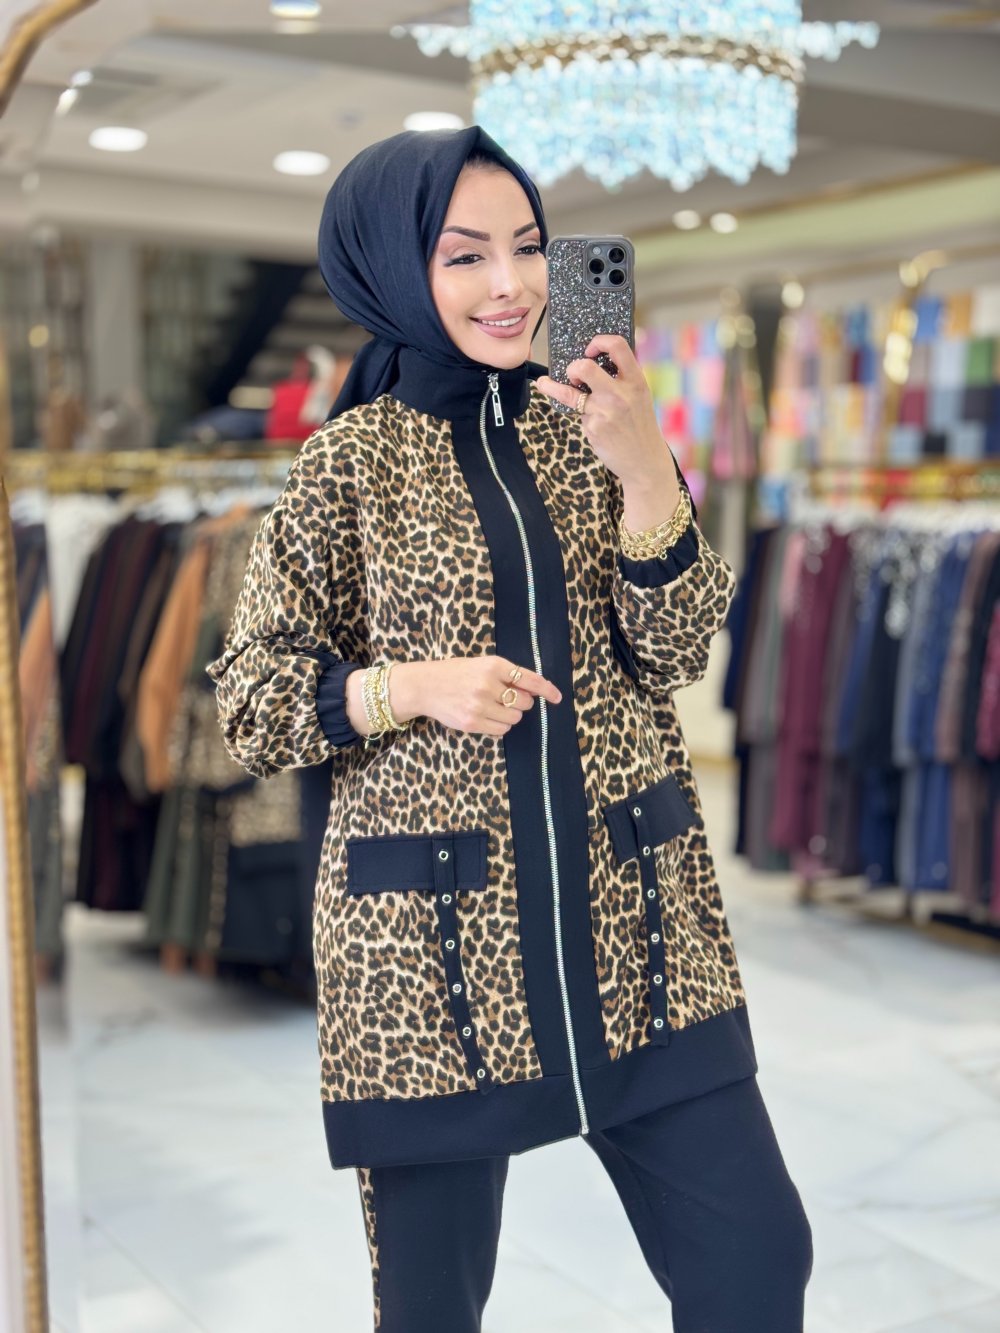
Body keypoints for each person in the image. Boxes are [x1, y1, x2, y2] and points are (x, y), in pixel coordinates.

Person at [206, 126, 813, 1333]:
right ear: (394, 268)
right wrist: (405, 687)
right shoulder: (346, 466)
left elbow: (676, 652)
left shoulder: (593, 428)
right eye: (465, 255)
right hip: (433, 964)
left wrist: (645, 470)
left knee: (756, 1263)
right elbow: (252, 704)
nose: (511, 285)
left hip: (640, 935)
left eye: (529, 248)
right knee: (431, 1311)